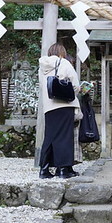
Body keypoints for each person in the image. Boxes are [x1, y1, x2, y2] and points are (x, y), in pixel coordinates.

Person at [38, 43, 81, 179]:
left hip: (49, 107)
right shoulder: (64, 63)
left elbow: (43, 87)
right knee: (64, 137)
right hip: (64, 105)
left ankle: (44, 170)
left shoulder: (42, 67)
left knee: (49, 137)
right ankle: (63, 169)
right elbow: (75, 85)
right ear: (62, 52)